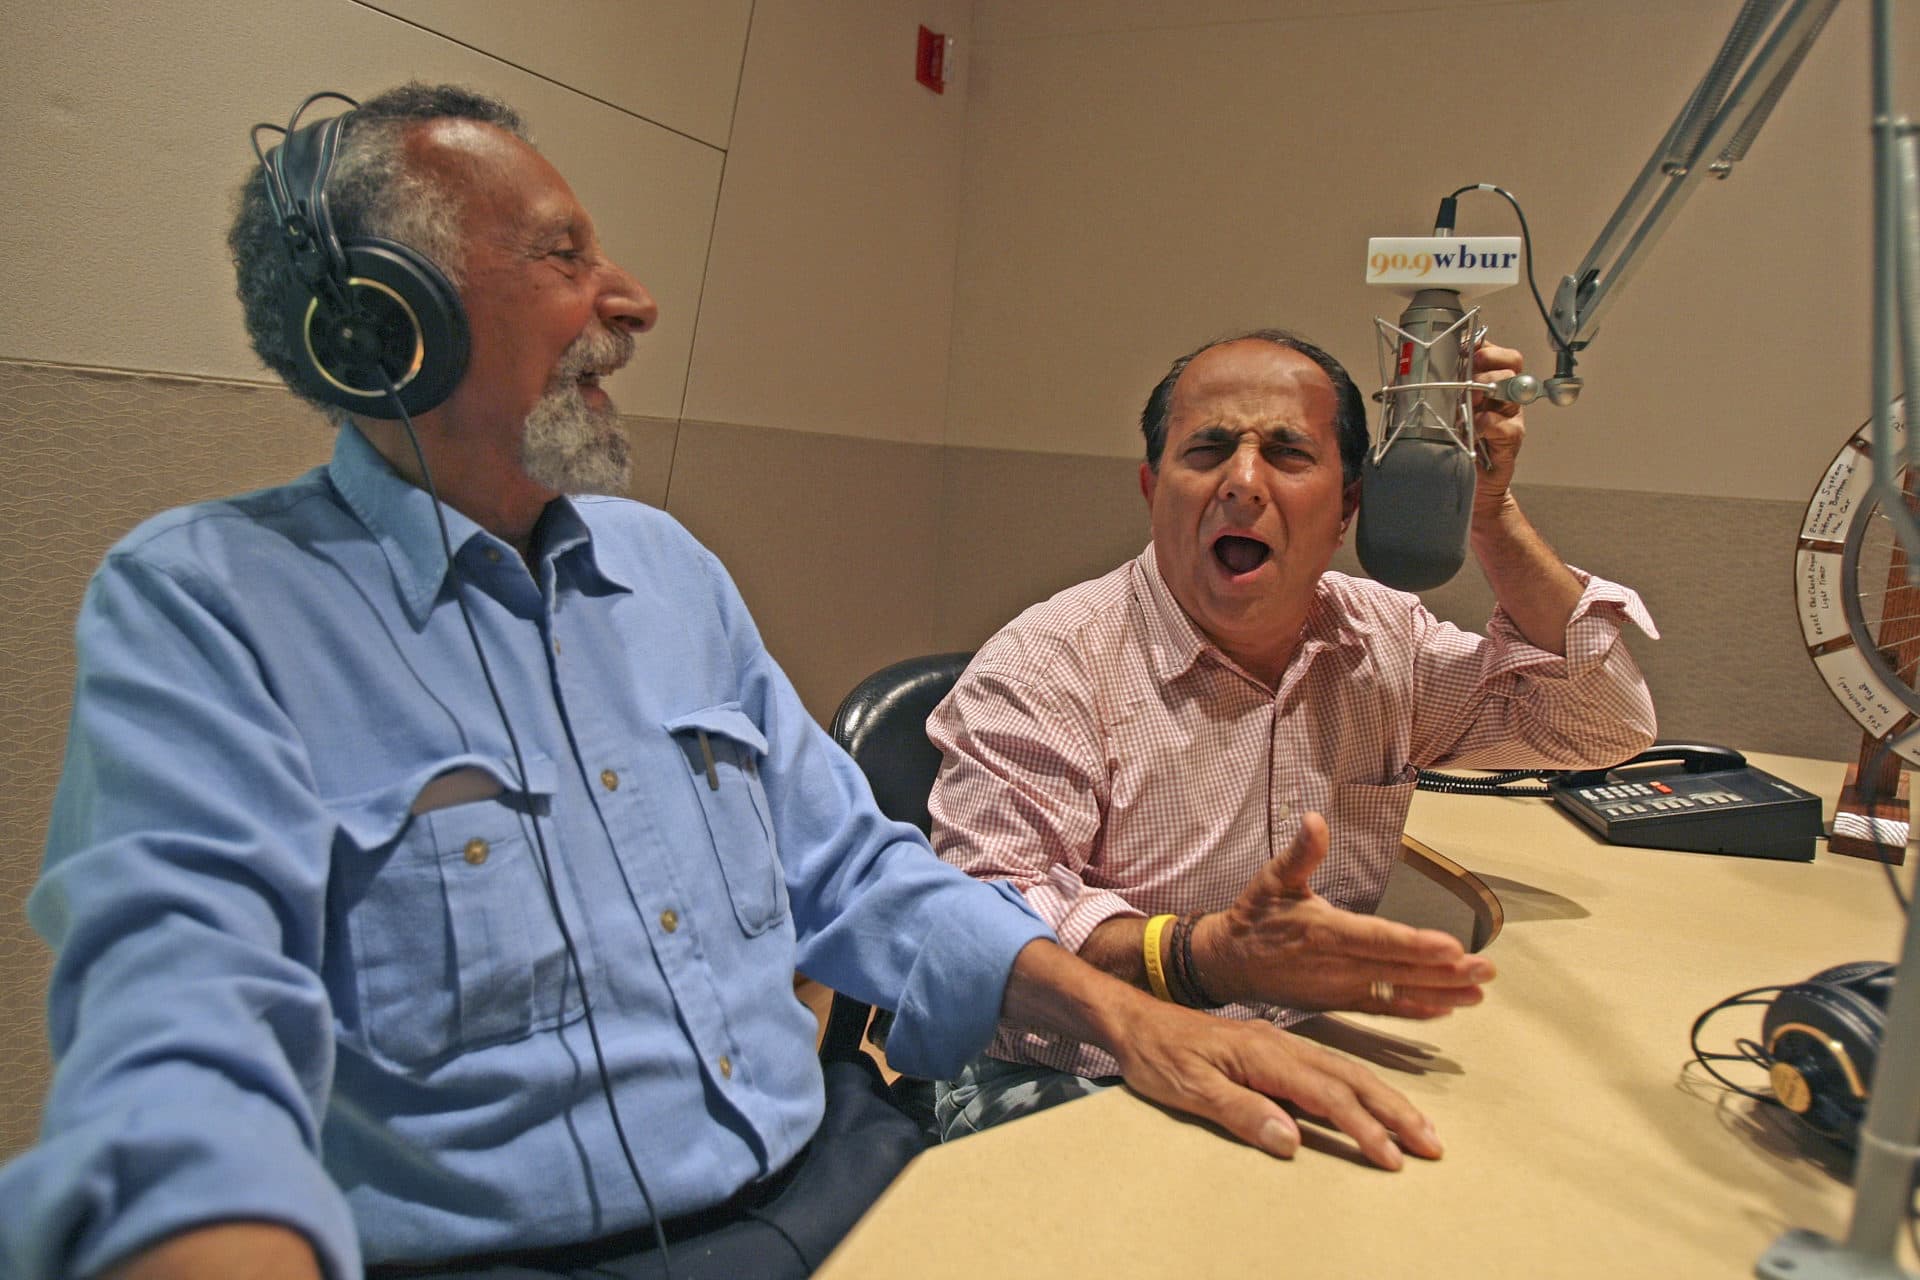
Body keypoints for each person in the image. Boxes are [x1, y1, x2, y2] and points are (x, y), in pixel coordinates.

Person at [0, 89, 1465, 1280]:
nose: (629, 298)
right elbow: (183, 1029)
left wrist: (1129, 1008)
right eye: (566, 256)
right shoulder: (208, 604)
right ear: (393, 327)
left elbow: (858, 878)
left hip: (838, 1177)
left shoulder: (667, 572)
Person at [927, 328, 1658, 1138]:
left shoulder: (1383, 641)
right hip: (1073, 1070)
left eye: (1286, 452)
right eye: (1207, 451)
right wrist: (1199, 956)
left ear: (1350, 507)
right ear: (1151, 487)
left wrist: (1483, 513)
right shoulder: (1046, 663)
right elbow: (981, 921)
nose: (1242, 482)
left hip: (1289, 1047)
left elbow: (1598, 726)